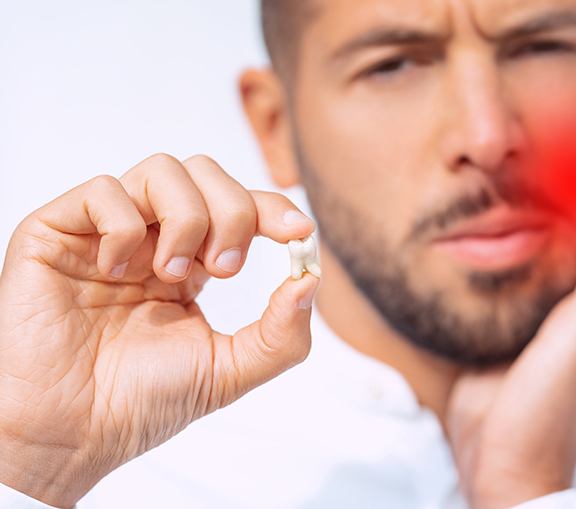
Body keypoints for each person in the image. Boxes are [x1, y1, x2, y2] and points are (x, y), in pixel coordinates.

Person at [2, 0, 576, 507]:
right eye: (392, 64)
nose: (487, 136)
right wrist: (31, 464)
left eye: (544, 47)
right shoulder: (123, 482)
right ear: (275, 127)